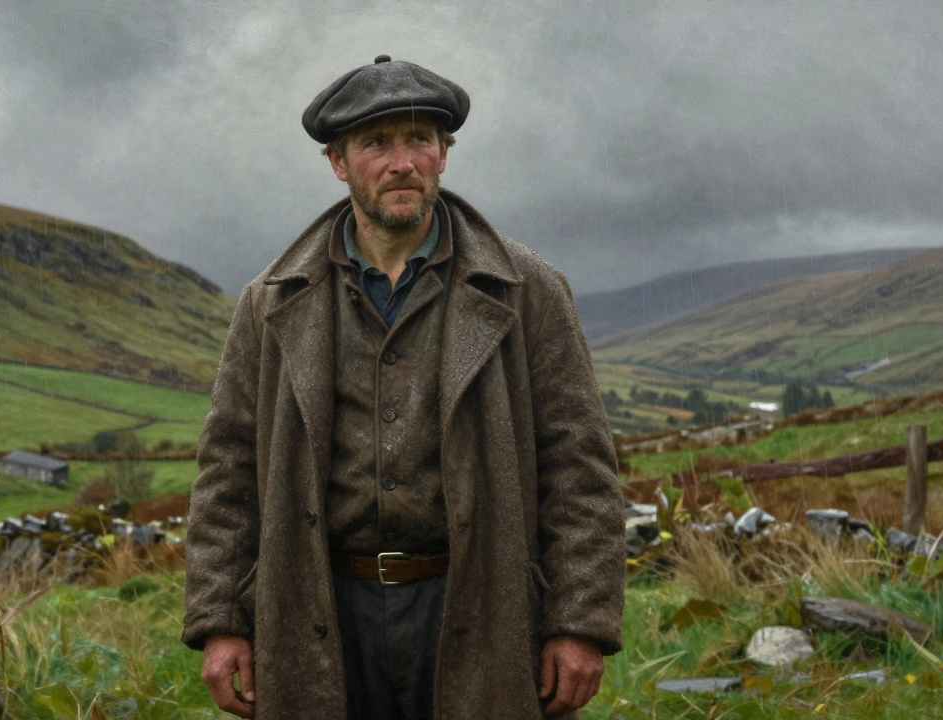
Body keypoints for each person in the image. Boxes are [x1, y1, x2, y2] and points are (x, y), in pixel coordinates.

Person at [182, 55, 626, 720]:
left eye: (419, 139)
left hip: (478, 602)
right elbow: (229, 472)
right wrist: (221, 619)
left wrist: (578, 619)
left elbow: (578, 466)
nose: (401, 162)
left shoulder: (527, 290)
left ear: (444, 154)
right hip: (320, 607)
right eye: (376, 143)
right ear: (339, 162)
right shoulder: (270, 301)